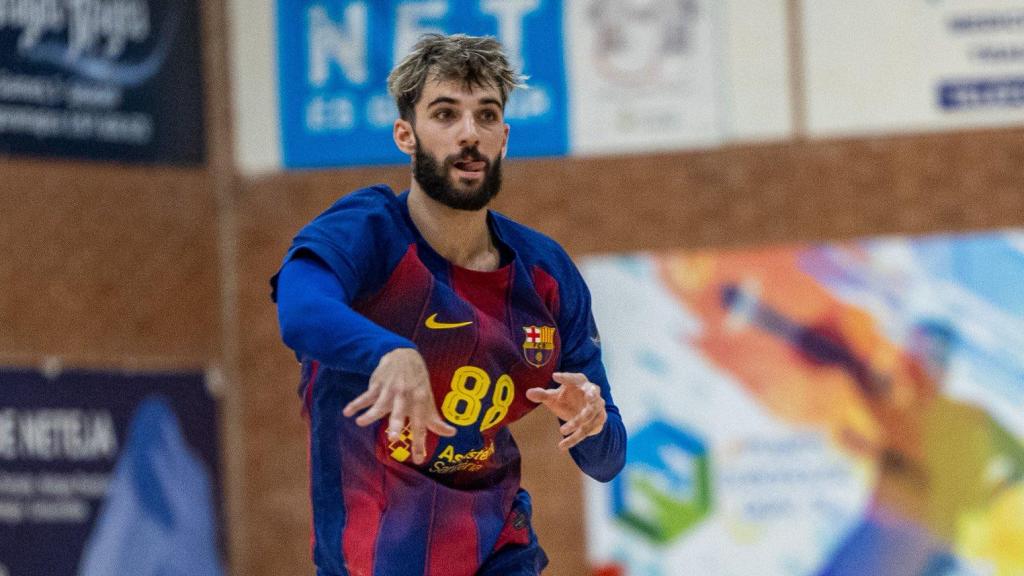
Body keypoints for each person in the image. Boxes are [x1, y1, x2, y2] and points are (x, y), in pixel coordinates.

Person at [271, 34, 627, 576]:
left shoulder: (545, 274)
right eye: (445, 114)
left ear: (504, 138)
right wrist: (388, 353)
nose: (469, 135)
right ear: (405, 135)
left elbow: (606, 460)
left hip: (498, 556)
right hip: (375, 560)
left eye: (486, 116)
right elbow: (298, 311)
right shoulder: (368, 233)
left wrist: (592, 420)